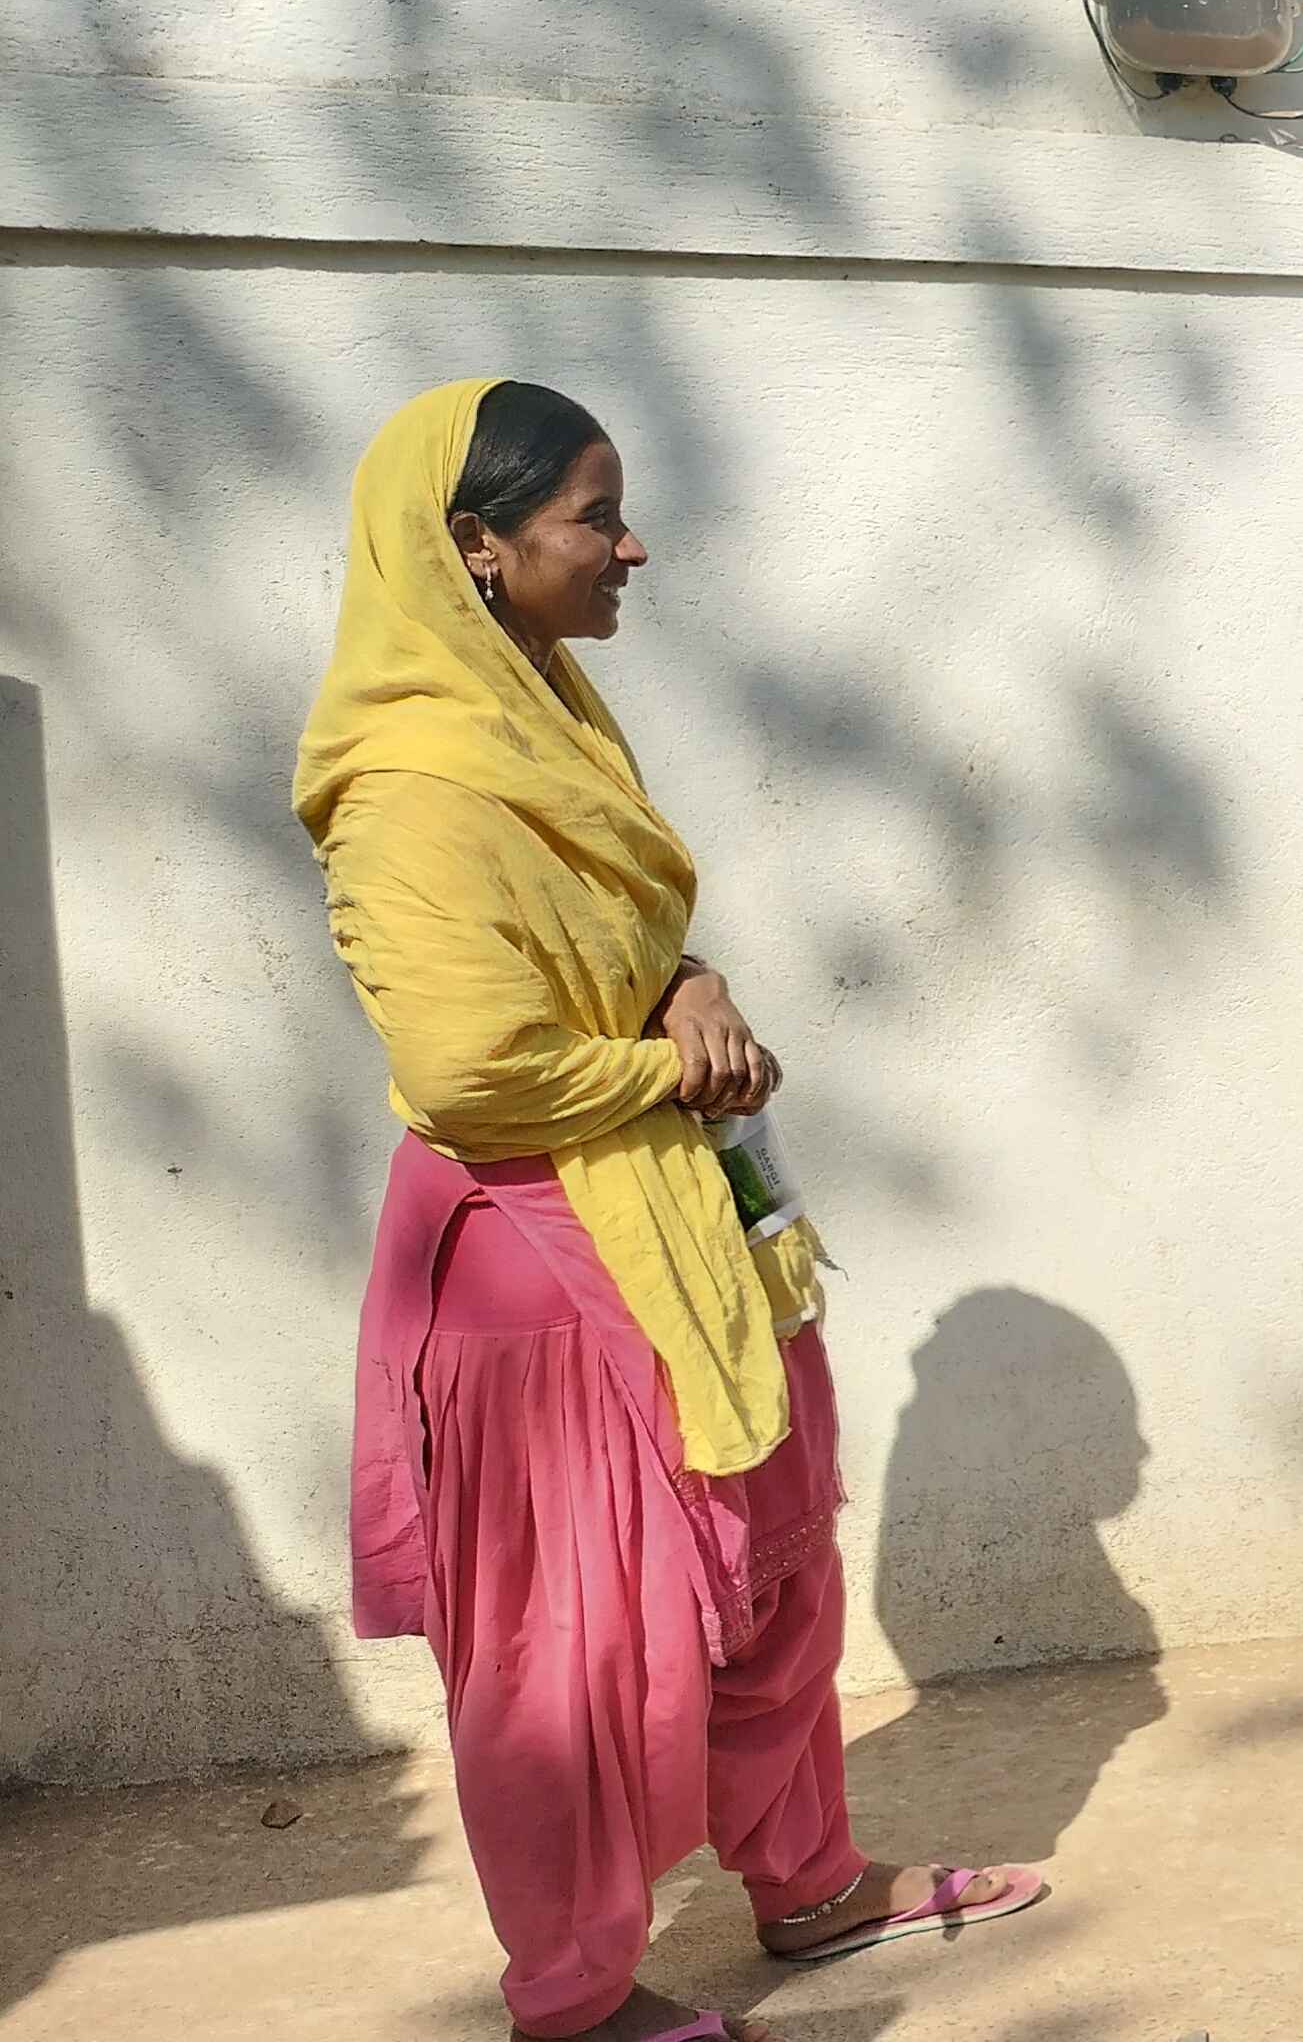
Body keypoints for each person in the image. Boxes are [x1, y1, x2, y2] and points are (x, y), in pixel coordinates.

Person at [300, 380, 1044, 2042]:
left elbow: (612, 950)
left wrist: (690, 982)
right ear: (474, 545)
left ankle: (807, 1885)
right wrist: (674, 1062)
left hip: (674, 1217)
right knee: (572, 1650)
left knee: (771, 1567)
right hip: (535, 1263)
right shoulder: (411, 780)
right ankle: (572, 1996)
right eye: (594, 517)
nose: (630, 548)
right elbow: (469, 1071)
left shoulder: (544, 714)